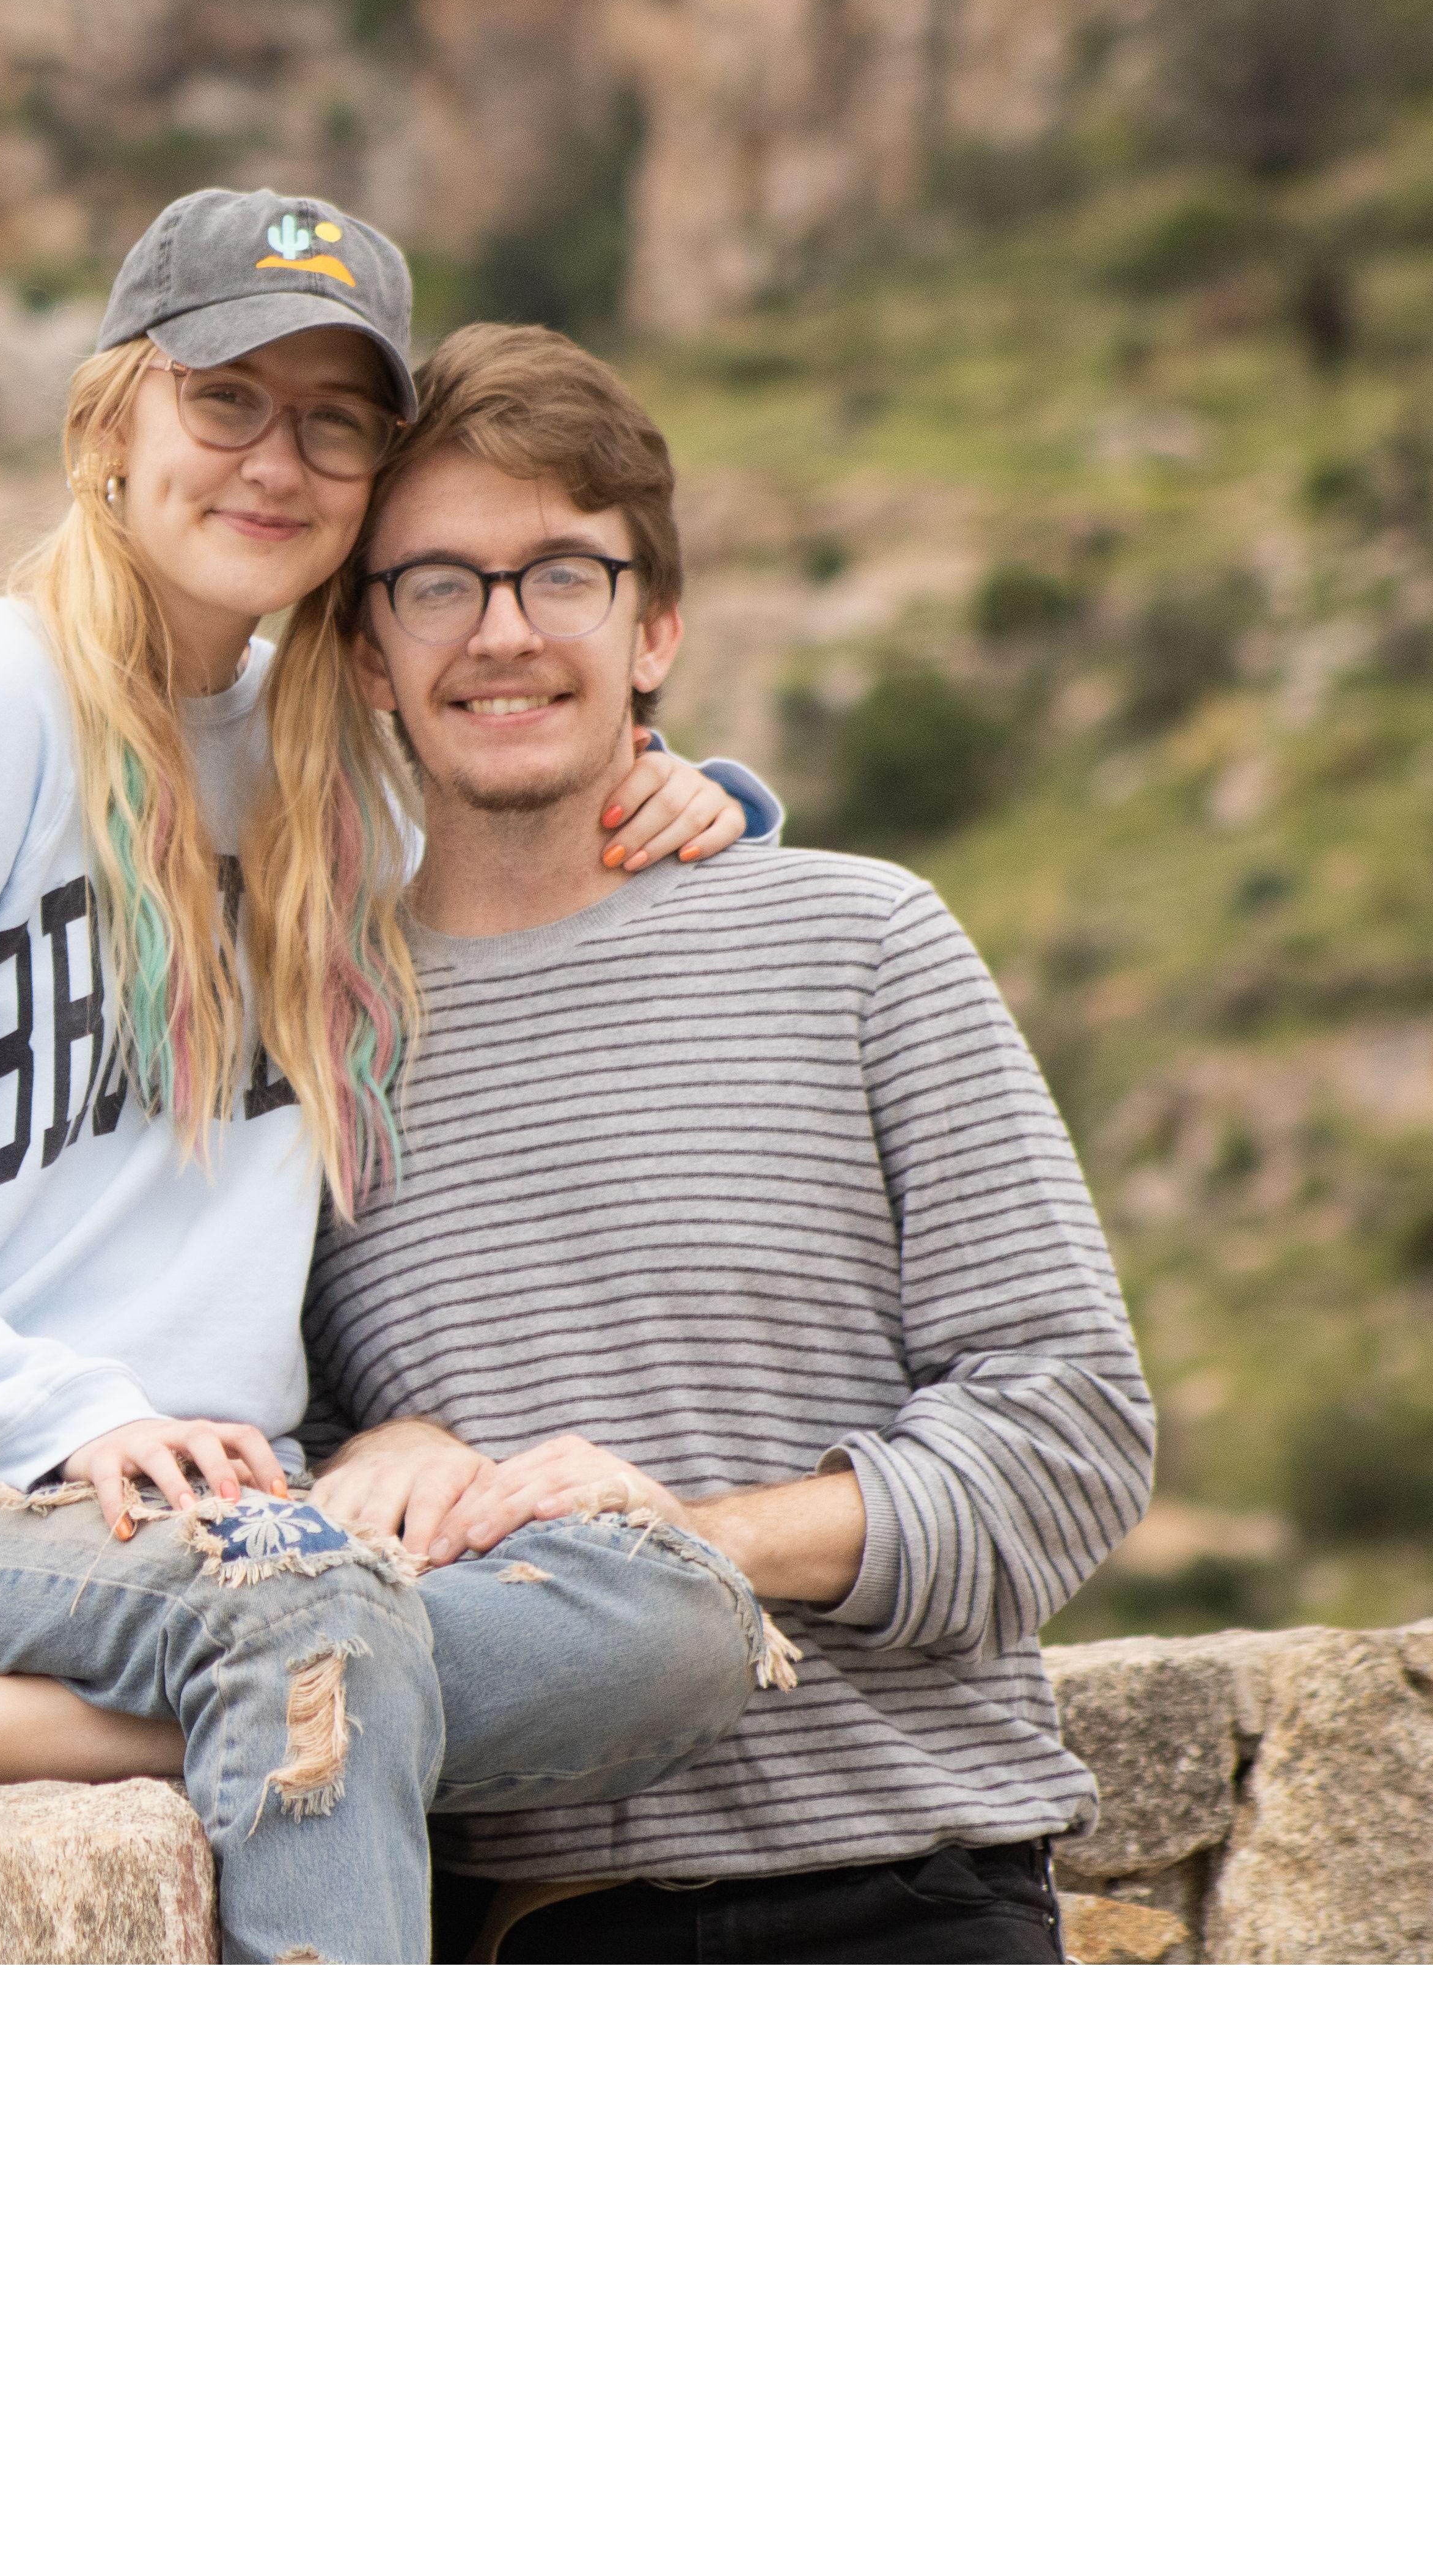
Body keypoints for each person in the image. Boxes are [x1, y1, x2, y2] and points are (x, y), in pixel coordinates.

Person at [0, 189, 782, 1966]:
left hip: (212, 1525)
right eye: (227, 400)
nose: (277, 460)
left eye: (337, 422)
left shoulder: (330, 765)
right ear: (116, 422)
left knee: (676, 1609)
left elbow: (541, 792)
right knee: (302, 1609)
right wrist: (79, 1421)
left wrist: (711, 796)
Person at [301, 323, 1154, 1960]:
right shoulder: (313, 1047)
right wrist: (365, 1452)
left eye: (563, 573)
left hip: (914, 1902)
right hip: (517, 1934)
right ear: (366, 651)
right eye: (437, 585)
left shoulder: (868, 944)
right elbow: (263, 1459)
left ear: (655, 627)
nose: (502, 634)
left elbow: (1072, 1425)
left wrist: (687, 1547)